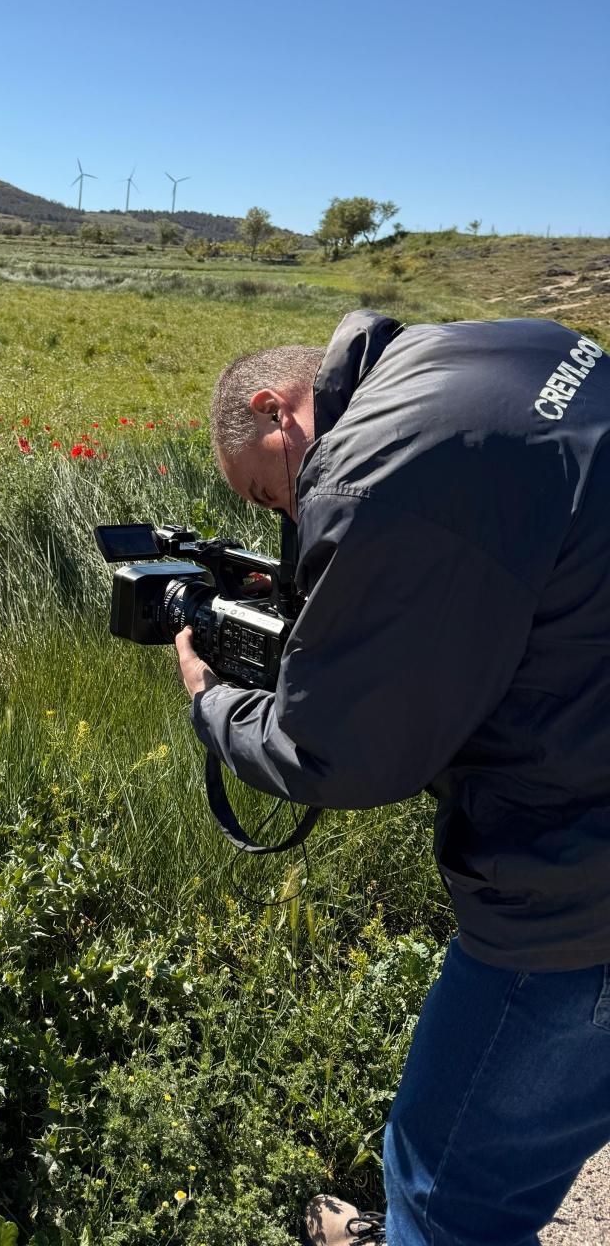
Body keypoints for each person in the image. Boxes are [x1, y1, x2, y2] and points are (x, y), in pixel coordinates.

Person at [177, 309, 610, 1246]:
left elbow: (336, 751)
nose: (287, 517)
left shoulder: (373, 469)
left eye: (268, 495)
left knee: (446, 1180)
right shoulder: (495, 351)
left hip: (576, 893)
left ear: (274, 410)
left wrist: (210, 703)